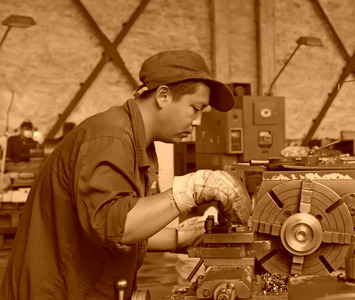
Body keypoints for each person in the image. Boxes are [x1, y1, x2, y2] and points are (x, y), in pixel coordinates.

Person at [0, 50, 252, 300]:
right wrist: (194, 187)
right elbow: (118, 227)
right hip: (56, 291)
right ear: (163, 95)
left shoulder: (135, 141)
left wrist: (182, 238)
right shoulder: (110, 137)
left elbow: (128, 223)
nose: (197, 122)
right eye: (195, 108)